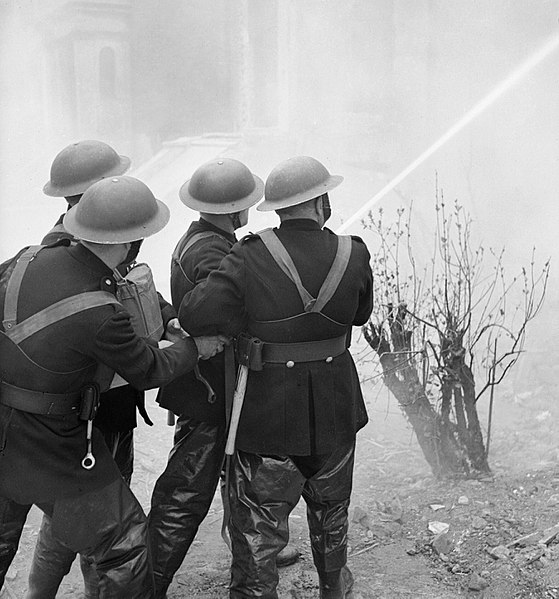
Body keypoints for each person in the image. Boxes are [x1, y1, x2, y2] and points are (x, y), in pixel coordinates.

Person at [0, 174, 226, 598]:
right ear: (128, 243)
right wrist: (197, 346)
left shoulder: (24, 260)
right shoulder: (101, 312)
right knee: (124, 545)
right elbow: (150, 368)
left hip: (4, 429)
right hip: (53, 444)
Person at [179, 156, 374, 599]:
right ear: (322, 202)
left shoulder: (249, 255)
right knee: (331, 511)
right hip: (336, 409)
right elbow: (360, 315)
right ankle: (332, 587)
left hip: (266, 414)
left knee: (258, 527)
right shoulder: (354, 251)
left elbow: (195, 313)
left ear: (278, 209)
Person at [26, 139, 183, 599]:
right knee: (96, 521)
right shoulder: (68, 249)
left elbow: (129, 290)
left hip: (109, 397)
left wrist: (167, 314)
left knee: (75, 514)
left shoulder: (101, 239)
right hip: (88, 405)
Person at [148, 157, 298, 598]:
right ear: (235, 208)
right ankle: (147, 583)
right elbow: (217, 311)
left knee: (235, 476)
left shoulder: (207, 239)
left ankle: (249, 552)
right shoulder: (212, 251)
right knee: (185, 494)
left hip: (212, 385)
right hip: (212, 391)